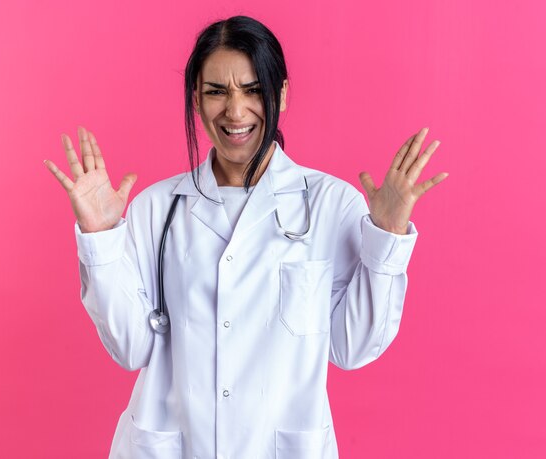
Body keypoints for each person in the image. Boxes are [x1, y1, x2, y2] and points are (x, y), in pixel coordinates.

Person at [44, 15, 447, 459]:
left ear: (282, 93)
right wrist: (100, 238)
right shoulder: (156, 210)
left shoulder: (333, 206)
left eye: (253, 89)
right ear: (196, 99)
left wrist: (386, 235)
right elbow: (130, 348)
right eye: (216, 91)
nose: (235, 112)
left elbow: (352, 347)